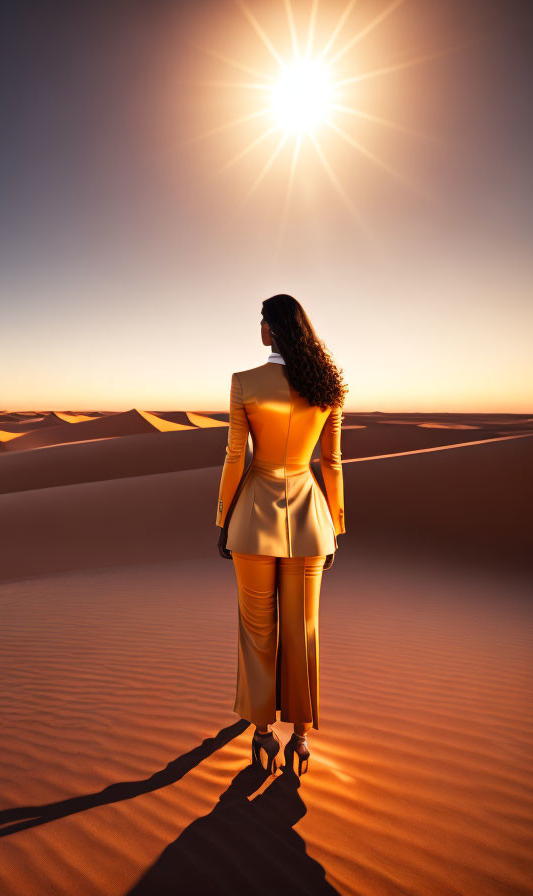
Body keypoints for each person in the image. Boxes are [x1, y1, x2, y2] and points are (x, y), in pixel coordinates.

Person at [215, 294, 348, 778]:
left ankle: (263, 733)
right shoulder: (327, 386)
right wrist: (335, 525)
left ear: (271, 329)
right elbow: (331, 464)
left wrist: (222, 518)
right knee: (302, 630)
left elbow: (235, 458)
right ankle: (302, 738)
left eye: (261, 322)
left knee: (257, 631)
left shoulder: (244, 383)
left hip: (251, 519)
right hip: (311, 521)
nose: (260, 329)